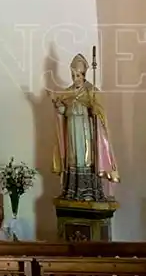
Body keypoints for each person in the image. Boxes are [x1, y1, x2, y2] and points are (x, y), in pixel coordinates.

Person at [50, 53, 119, 201]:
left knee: (86, 158)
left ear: (84, 75)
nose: (75, 79)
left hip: (86, 131)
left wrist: (95, 112)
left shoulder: (92, 92)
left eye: (78, 76)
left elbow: (100, 114)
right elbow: (62, 112)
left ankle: (89, 190)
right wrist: (58, 106)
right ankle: (72, 189)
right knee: (73, 158)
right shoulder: (67, 92)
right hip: (71, 130)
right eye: (73, 75)